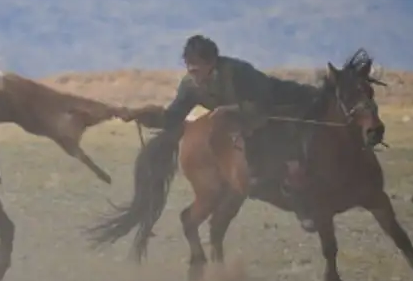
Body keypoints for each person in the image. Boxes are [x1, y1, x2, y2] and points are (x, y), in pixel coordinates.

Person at [118, 35, 318, 232]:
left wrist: (231, 109)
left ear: (211, 62)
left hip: (284, 105)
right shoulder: (190, 85)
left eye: (196, 66)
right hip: (248, 122)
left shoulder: (238, 72)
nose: (191, 71)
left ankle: (306, 210)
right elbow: (173, 118)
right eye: (188, 65)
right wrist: (144, 115)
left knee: (294, 163)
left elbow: (263, 105)